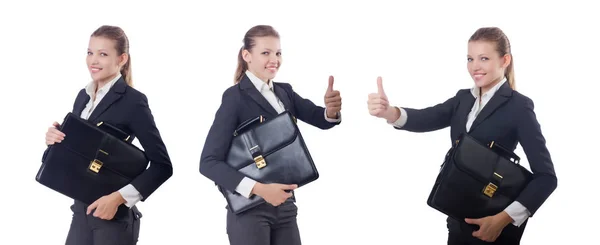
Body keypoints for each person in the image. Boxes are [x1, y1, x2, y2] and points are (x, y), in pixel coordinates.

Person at [367, 27, 557, 244]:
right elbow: (427, 117)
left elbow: (546, 178)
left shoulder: (519, 106)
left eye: (483, 58)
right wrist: (389, 112)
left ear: (505, 60)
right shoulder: (463, 99)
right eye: (470, 58)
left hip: (493, 227)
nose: (474, 66)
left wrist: (502, 220)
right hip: (457, 221)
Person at [199, 24, 342, 245]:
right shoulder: (234, 98)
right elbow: (208, 162)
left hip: (285, 206)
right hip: (250, 212)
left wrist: (331, 111)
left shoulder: (285, 92)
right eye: (265, 53)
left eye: (278, 52)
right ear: (246, 55)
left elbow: (320, 118)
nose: (274, 59)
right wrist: (260, 190)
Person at [42, 25, 173, 245]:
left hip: (113, 219)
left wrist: (118, 199)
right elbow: (80, 155)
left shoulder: (133, 101)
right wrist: (55, 141)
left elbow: (163, 166)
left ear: (122, 59)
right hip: (81, 212)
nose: (93, 61)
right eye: (90, 52)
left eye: (103, 54)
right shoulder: (82, 97)